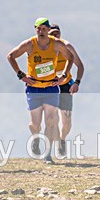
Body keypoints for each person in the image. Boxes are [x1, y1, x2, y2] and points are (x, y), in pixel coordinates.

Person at [7, 17, 74, 164]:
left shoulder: (56, 44)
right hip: (34, 88)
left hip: (51, 88)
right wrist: (21, 75)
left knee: (51, 121)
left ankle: (47, 154)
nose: (41, 31)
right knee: (35, 124)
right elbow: (11, 56)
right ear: (35, 29)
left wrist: (63, 76)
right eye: (38, 28)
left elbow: (70, 57)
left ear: (48, 30)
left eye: (44, 29)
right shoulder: (30, 44)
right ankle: (36, 138)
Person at [47, 23, 84, 157]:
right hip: (48, 86)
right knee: (51, 118)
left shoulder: (67, 46)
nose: (55, 36)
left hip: (65, 85)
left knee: (66, 120)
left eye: (57, 33)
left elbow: (80, 66)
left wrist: (77, 83)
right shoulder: (42, 48)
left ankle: (62, 139)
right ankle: (49, 151)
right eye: (52, 34)